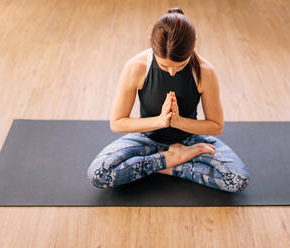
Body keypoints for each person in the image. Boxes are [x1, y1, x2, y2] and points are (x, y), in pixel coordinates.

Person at [86, 7, 250, 192]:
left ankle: (159, 163)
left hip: (192, 140)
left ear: (194, 44)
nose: (172, 72)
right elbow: (117, 123)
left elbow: (216, 126)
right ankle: (171, 159)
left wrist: (178, 122)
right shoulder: (135, 67)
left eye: (181, 65)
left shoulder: (205, 72)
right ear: (150, 42)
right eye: (164, 66)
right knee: (99, 173)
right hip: (146, 138)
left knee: (237, 179)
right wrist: (161, 121)